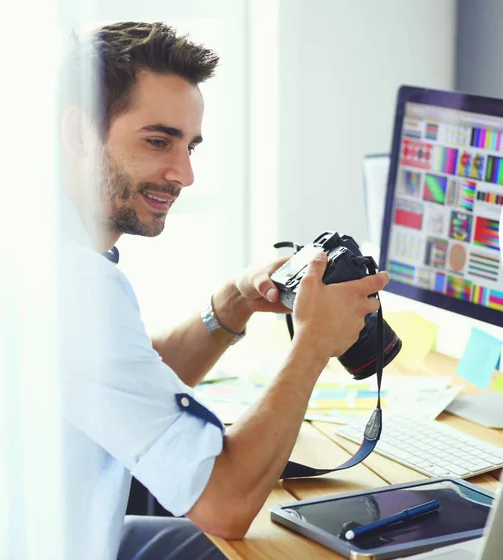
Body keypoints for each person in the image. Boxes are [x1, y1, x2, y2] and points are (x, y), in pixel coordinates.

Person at [57, 21, 390, 560]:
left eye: (190, 145)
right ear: (77, 132)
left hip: (53, 529)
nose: (183, 173)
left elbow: (122, 379)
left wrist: (230, 307)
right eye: (158, 140)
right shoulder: (74, 285)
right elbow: (224, 504)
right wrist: (311, 346)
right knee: (307, 547)